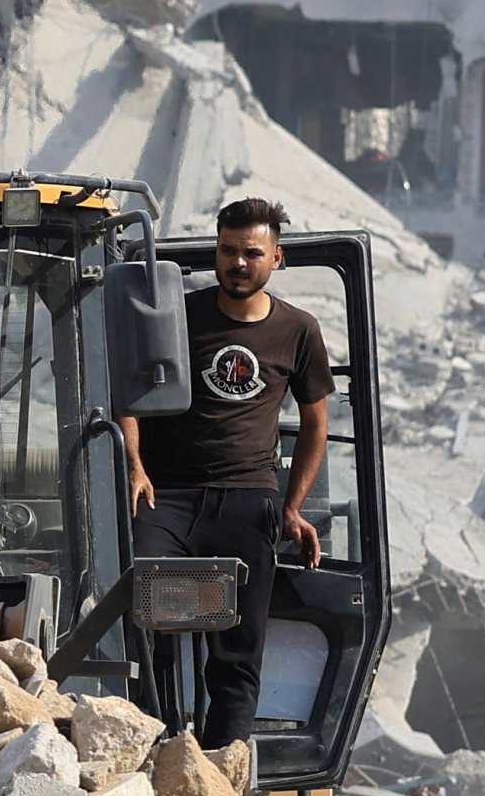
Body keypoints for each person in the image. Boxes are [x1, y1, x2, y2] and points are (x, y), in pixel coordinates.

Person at [115, 196, 335, 734]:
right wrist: (135, 466)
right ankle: (141, 741)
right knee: (132, 609)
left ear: (276, 259)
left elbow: (316, 425)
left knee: (238, 651)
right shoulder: (179, 318)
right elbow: (129, 396)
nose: (238, 263)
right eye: (228, 251)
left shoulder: (299, 330)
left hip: (247, 497)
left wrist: (293, 507)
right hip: (168, 496)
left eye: (251, 253)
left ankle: (222, 767)